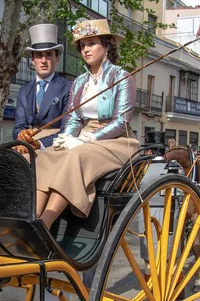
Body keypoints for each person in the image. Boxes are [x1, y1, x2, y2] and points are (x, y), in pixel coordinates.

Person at [23, 18, 140, 230]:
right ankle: (31, 219)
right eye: (83, 45)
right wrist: (65, 138)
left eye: (92, 43)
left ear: (106, 45)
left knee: (75, 156)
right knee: (46, 155)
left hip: (117, 140)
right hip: (83, 136)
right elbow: (75, 118)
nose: (86, 49)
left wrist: (87, 139)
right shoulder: (79, 82)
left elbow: (121, 121)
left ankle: (44, 225)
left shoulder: (121, 76)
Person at [13, 24, 71, 153]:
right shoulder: (24, 91)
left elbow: (66, 130)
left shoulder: (68, 87)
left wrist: (40, 143)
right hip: (27, 144)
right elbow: (19, 126)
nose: (43, 61)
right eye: (39, 55)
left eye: (49, 55)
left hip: (54, 145)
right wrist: (21, 135)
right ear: (33, 60)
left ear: (57, 59)